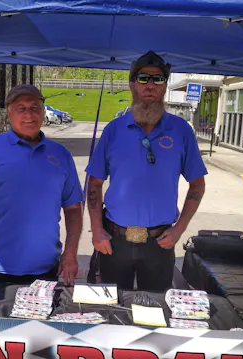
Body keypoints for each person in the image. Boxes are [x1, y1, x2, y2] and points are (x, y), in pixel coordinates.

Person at [85, 50, 207, 291]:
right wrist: (97, 230)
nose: (150, 85)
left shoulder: (181, 131)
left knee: (155, 308)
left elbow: (197, 185)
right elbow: (94, 184)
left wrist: (179, 229)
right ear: (132, 85)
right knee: (113, 307)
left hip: (159, 244)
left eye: (158, 79)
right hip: (114, 242)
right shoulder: (114, 131)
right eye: (143, 78)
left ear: (165, 86)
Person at [0, 84, 83, 287]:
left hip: (46, 269)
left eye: (34, 108)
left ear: (43, 111)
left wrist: (70, 253)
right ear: (8, 112)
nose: (28, 115)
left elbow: (74, 208)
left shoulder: (61, 155)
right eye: (20, 108)